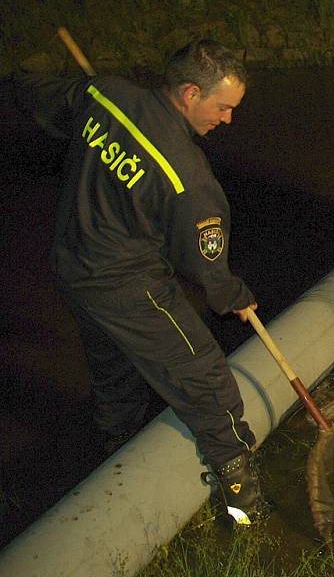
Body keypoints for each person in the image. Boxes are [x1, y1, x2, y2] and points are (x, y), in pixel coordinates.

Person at [13, 39, 265, 525]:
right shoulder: (189, 178)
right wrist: (233, 295)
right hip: (126, 285)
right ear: (190, 93)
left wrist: (27, 74)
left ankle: (118, 467)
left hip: (72, 269)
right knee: (208, 380)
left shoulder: (105, 95)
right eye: (224, 107)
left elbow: (46, 100)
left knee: (115, 374)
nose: (228, 119)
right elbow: (206, 268)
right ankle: (244, 510)